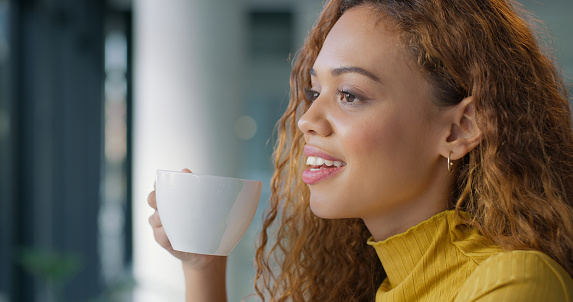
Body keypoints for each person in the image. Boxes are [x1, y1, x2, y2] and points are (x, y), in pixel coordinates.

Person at [147, 0, 573, 301]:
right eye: (315, 91)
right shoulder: (371, 286)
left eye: (350, 94)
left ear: (461, 128)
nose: (307, 119)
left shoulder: (512, 284)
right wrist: (204, 266)